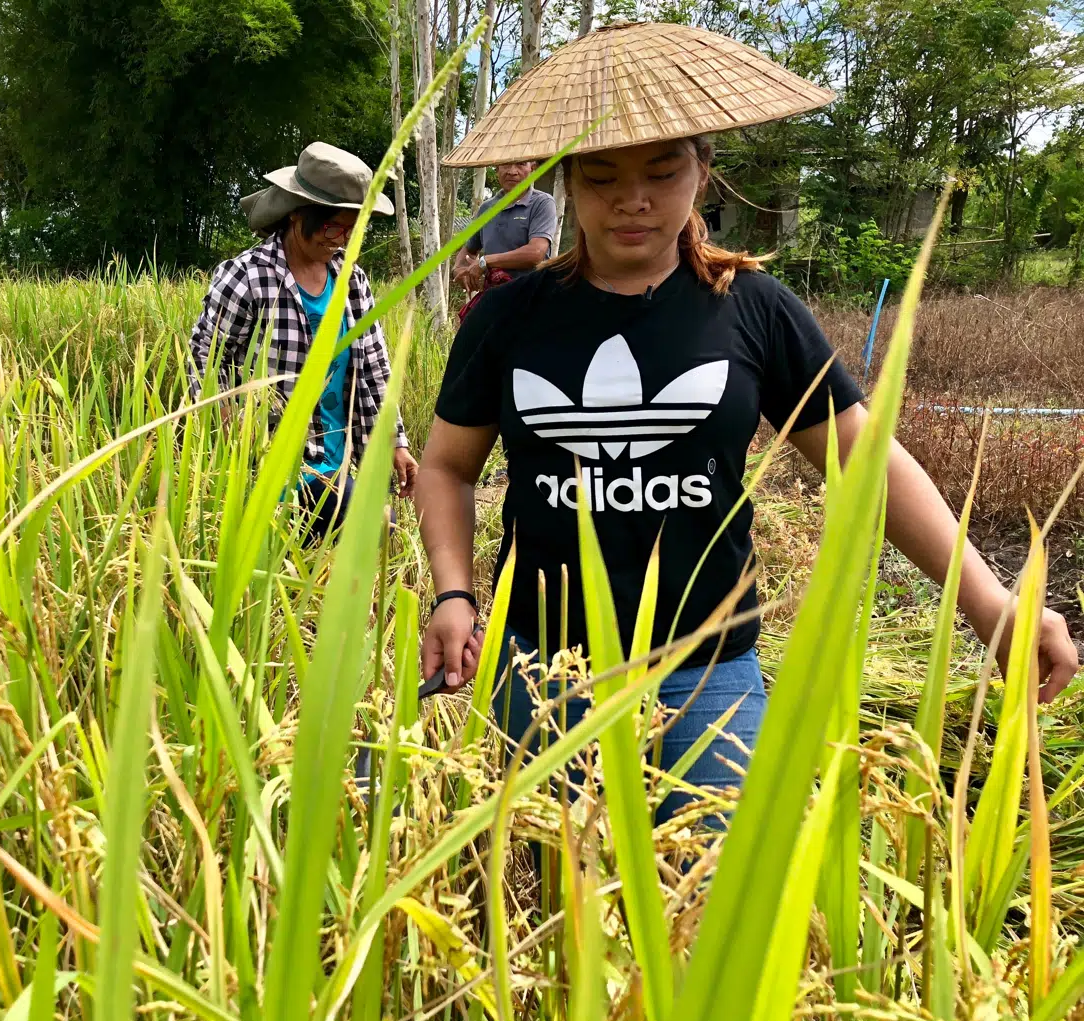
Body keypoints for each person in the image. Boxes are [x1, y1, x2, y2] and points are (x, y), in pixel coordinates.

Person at [418, 22, 1078, 825]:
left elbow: (867, 462)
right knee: (553, 883)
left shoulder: (752, 309)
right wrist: (454, 591)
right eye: (602, 176)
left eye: (663, 171)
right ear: (568, 183)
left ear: (704, 170)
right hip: (541, 665)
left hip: (706, 668)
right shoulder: (509, 317)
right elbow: (447, 466)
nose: (633, 198)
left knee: (715, 887)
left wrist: (990, 602)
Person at [190, 142, 418, 540]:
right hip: (277, 464)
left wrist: (396, 442)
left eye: (352, 230)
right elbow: (205, 362)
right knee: (373, 525)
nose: (341, 241)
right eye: (333, 228)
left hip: (339, 458)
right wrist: (234, 436)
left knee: (361, 542)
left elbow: (375, 369)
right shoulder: (250, 278)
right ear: (297, 213)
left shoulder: (351, 281)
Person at [452, 160, 558, 322]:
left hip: (531, 301)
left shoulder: (542, 203)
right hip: (495, 301)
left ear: (533, 168)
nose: (512, 171)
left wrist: (485, 261)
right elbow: (469, 249)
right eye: (506, 165)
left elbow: (535, 253)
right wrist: (459, 270)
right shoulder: (487, 208)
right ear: (497, 168)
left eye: (521, 164)